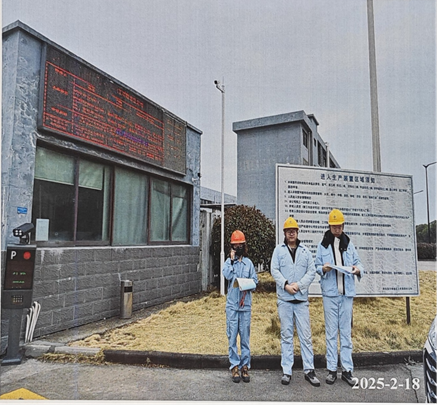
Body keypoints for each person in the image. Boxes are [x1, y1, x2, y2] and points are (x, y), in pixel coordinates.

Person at [315, 209, 364, 386]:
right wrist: (323, 269)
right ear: (329, 226)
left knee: (345, 333)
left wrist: (357, 270)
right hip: (330, 294)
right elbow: (317, 266)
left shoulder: (348, 244)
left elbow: (359, 263)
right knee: (330, 333)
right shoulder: (323, 245)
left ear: (343, 226)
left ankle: (347, 370)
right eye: (334, 226)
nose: (337, 229)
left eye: (339, 226)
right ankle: (331, 370)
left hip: (346, 295)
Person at [270, 217, 320, 387]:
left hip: (301, 300)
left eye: (294, 230)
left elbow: (311, 271)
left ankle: (309, 370)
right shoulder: (278, 251)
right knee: (286, 335)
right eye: (288, 231)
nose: (291, 233)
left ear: (297, 232)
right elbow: (274, 270)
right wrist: (285, 285)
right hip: (285, 299)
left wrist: (298, 285)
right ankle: (287, 371)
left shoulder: (305, 252)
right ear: (284, 233)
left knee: (305, 336)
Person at [222, 230, 258, 383]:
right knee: (232, 338)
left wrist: (247, 284)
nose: (238, 248)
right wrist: (231, 261)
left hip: (245, 306)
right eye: (235, 246)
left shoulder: (248, 263)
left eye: (240, 245)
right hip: (232, 306)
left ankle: (245, 366)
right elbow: (228, 276)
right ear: (232, 247)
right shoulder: (228, 263)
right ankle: (234, 366)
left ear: (244, 245)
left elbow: (255, 282)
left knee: (245, 338)